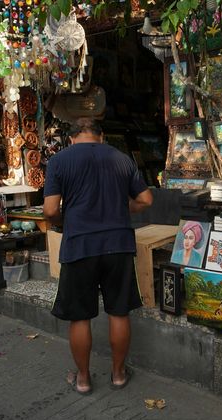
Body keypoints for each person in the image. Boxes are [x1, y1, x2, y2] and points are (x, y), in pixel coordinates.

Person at [43, 117, 153, 395]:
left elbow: (49, 211)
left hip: (79, 245)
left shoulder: (59, 161)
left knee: (80, 316)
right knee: (118, 311)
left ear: (71, 138)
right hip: (118, 243)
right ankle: (117, 374)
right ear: (101, 136)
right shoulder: (122, 159)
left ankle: (82, 378)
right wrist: (120, 207)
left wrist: (65, 219)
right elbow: (146, 200)